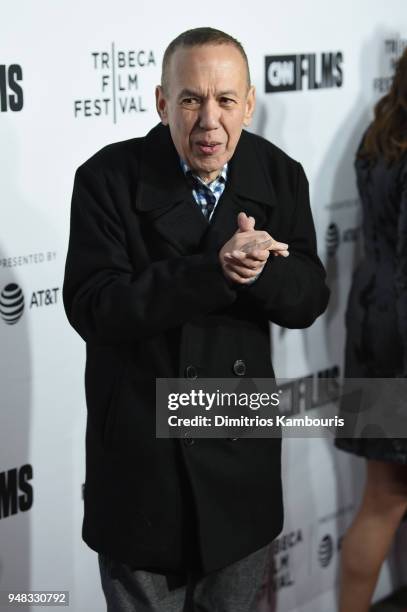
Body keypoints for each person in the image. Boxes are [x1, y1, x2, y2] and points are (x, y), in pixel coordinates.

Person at [63, 27, 329, 612]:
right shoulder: (106, 179)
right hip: (141, 460)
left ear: (249, 104)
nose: (209, 121)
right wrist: (214, 271)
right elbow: (93, 305)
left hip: (239, 457)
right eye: (190, 100)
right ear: (162, 103)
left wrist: (260, 271)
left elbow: (310, 296)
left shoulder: (280, 175)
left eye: (225, 101)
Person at [335, 47, 407, 612]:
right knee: (386, 503)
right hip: (399, 340)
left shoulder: (381, 127)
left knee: (381, 500)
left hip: (371, 330)